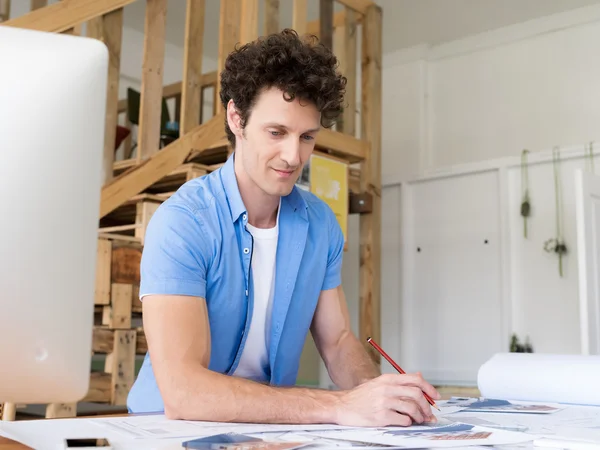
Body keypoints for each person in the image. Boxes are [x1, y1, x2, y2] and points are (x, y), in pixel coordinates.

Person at [126, 29, 440, 427]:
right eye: (277, 133)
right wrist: (339, 407)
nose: (293, 156)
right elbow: (186, 392)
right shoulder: (183, 223)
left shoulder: (321, 224)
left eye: (307, 137)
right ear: (236, 117)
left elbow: (339, 340)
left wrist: (382, 396)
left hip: (270, 427)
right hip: (168, 429)